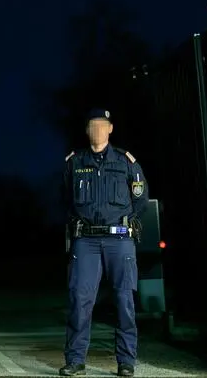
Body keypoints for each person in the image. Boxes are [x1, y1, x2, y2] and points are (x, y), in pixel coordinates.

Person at [59, 108, 149, 377]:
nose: (97, 129)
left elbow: (140, 199)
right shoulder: (75, 162)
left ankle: (126, 361)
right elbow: (65, 200)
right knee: (80, 299)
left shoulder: (126, 162)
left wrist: (123, 222)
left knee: (124, 300)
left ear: (110, 129)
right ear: (87, 130)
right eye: (92, 125)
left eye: (102, 125)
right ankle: (75, 360)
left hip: (119, 241)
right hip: (85, 241)